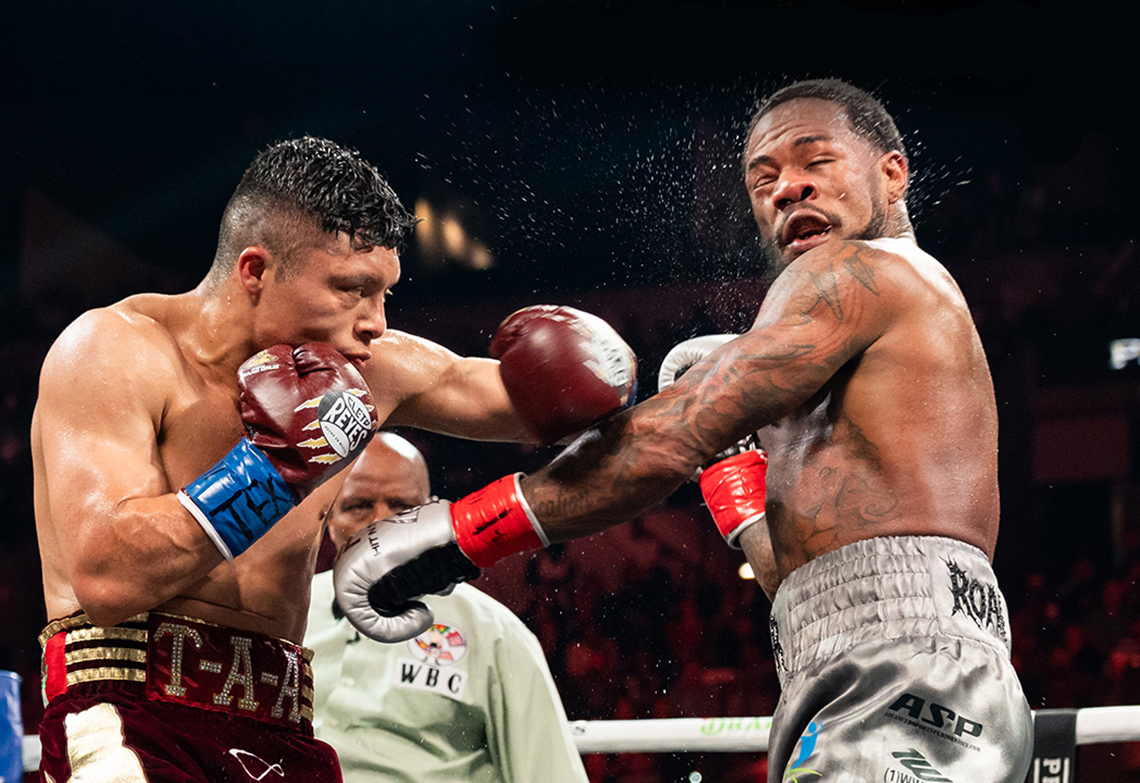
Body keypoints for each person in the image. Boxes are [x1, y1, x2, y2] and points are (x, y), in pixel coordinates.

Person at [335, 79, 1035, 783]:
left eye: (814, 161)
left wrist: (461, 532)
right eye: (763, 179)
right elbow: (801, 580)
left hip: (907, 678)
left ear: (892, 172)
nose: (786, 189)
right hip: (876, 666)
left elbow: (673, 434)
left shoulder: (857, 271)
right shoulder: (867, 332)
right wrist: (738, 492)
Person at [31, 136, 633, 781]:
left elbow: (550, 407)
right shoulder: (115, 351)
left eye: (385, 294)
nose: (375, 322)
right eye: (352, 289)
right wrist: (275, 469)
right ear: (255, 271)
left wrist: (619, 375)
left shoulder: (373, 368)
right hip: (130, 712)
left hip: (284, 726)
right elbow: (108, 579)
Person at [304, 431, 589, 783]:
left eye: (403, 508)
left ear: (430, 517)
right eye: (359, 505)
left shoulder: (494, 632)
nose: (380, 524)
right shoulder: (288, 617)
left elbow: (549, 774)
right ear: (327, 517)